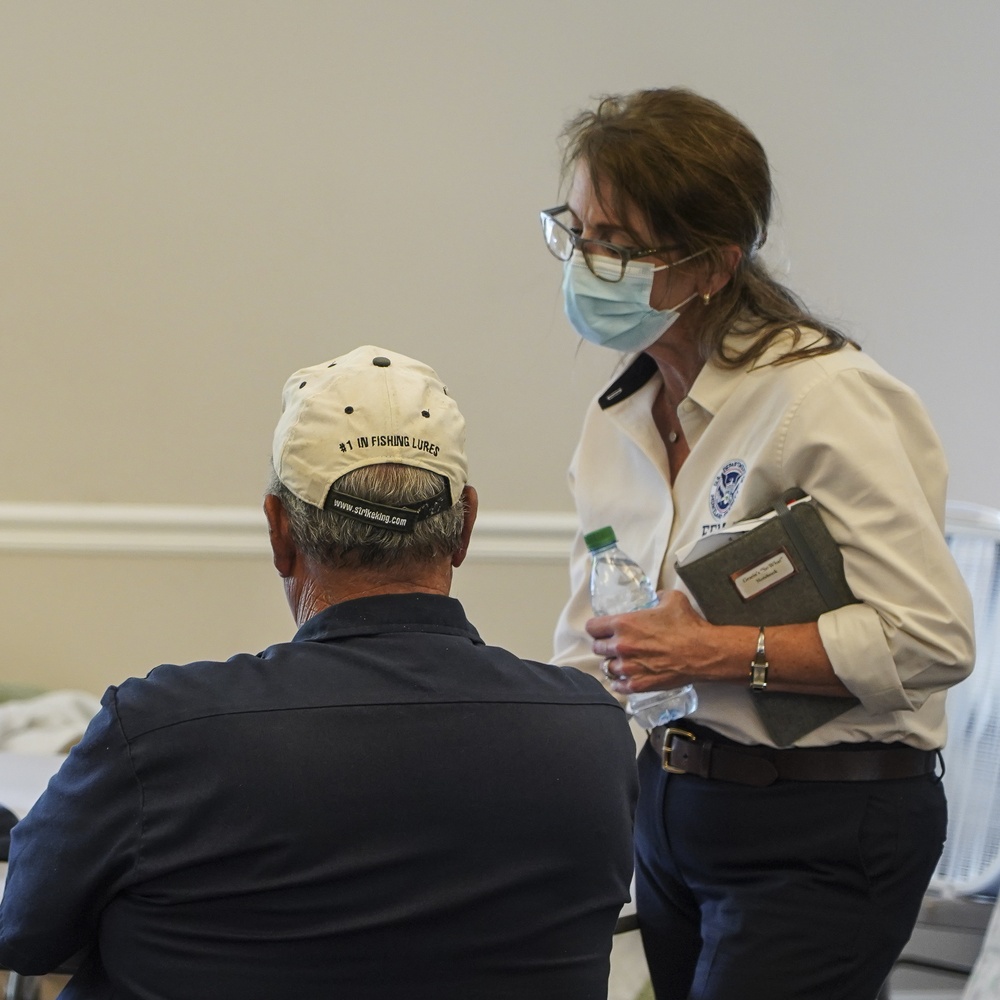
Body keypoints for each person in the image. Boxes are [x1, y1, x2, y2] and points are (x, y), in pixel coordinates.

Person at [0, 345, 638, 1000]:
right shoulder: (592, 733)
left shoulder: (160, 732)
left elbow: (25, 932)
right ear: (465, 525)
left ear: (279, 531)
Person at [541, 88, 975, 1000]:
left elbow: (933, 638)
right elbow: (593, 646)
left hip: (825, 820)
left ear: (712, 265)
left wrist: (715, 651)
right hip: (672, 808)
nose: (585, 263)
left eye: (615, 243)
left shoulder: (823, 398)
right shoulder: (615, 418)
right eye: (573, 232)